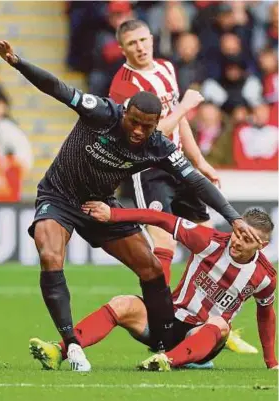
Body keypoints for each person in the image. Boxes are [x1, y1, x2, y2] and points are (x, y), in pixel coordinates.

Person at [0, 39, 259, 373]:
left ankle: (168, 343)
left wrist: (232, 217)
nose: (138, 131)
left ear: (156, 124)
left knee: (149, 266)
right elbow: (57, 88)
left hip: (100, 203)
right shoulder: (101, 112)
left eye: (147, 126)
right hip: (59, 195)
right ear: (126, 111)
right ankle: (71, 344)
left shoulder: (157, 145)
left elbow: (196, 181)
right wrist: (17, 61)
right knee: (49, 252)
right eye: (134, 122)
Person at [109, 19, 256, 353]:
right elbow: (151, 133)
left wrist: (201, 162)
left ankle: (208, 319)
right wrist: (186, 105)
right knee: (164, 246)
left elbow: (180, 121)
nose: (141, 47)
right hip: (148, 168)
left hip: (179, 164)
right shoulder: (123, 86)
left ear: (152, 38)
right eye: (132, 44)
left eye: (144, 40)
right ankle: (162, 328)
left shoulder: (165, 67)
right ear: (122, 49)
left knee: (211, 244)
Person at [29, 204, 278, 372]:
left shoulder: (265, 277)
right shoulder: (209, 241)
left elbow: (265, 314)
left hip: (204, 337)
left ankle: (167, 361)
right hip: (168, 321)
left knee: (221, 325)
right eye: (238, 233)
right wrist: (113, 215)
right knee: (123, 302)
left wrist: (271, 362)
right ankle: (58, 351)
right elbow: (160, 219)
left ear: (262, 245)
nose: (237, 241)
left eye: (247, 239)